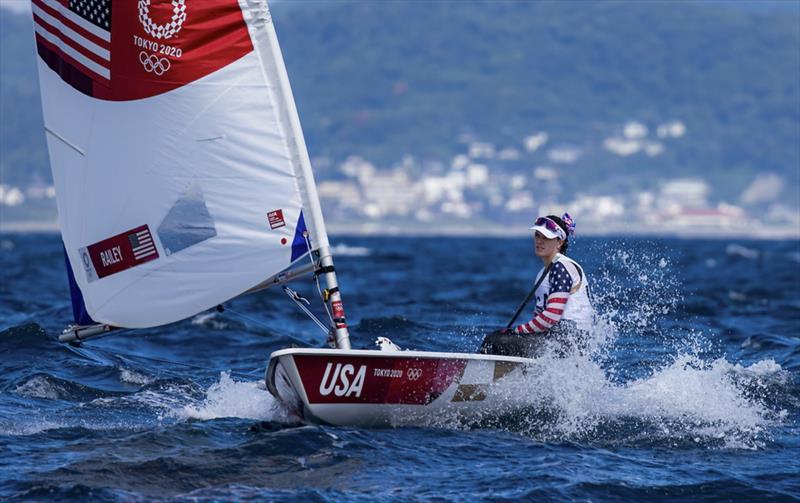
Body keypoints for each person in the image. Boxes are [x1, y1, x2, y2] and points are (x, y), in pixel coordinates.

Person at [480, 212, 594, 357]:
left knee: (495, 341)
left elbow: (551, 316)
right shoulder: (542, 274)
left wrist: (516, 332)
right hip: (557, 338)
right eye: (537, 236)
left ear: (559, 242)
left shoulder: (561, 267)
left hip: (572, 339)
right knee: (500, 339)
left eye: (546, 237)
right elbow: (540, 322)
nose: (539, 241)